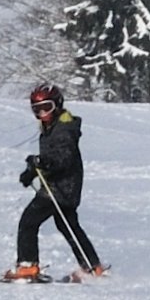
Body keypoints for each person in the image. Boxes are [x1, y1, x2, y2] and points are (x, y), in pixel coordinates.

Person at [12, 79, 102, 279]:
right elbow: (53, 159)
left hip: (59, 188)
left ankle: (27, 266)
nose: (42, 114)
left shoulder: (63, 129)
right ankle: (91, 266)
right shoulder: (53, 126)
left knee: (28, 222)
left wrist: (41, 163)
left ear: (57, 104)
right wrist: (33, 171)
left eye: (46, 107)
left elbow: (62, 158)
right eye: (37, 110)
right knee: (67, 225)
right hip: (65, 186)